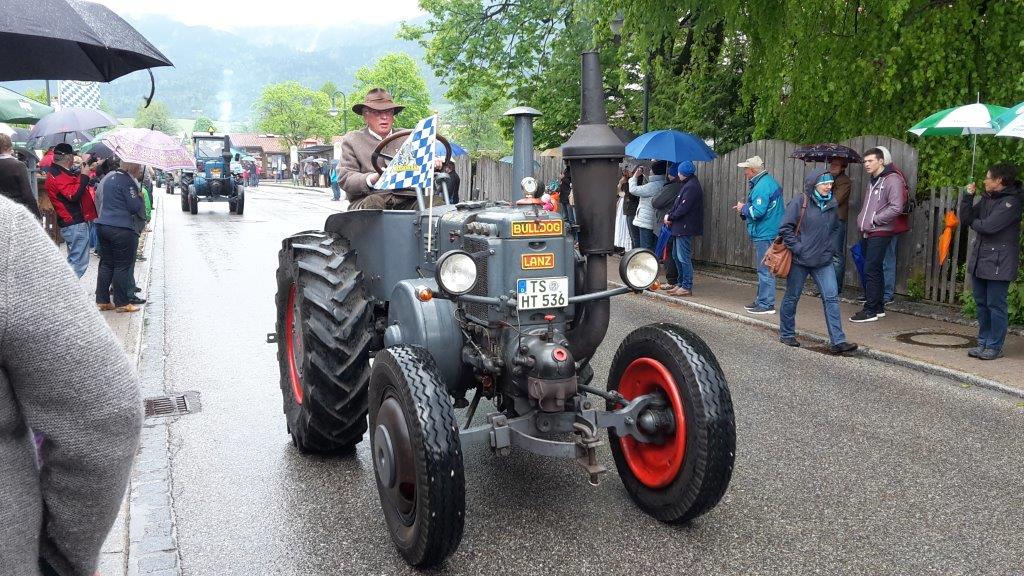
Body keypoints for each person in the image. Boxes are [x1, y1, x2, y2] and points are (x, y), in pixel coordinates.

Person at [0, 194, 142, 576]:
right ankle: (98, 296)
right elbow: (104, 410)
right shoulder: (6, 232)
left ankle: (102, 297)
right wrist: (64, 556)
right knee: (90, 259)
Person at [777, 172, 859, 354]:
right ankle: (787, 333)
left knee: (831, 298)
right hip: (800, 260)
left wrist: (828, 248)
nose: (829, 186)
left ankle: (838, 342)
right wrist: (799, 248)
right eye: (825, 184)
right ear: (814, 185)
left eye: (830, 183)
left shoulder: (832, 203)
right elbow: (785, 228)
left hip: (823, 260)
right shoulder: (800, 201)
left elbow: (836, 227)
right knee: (792, 296)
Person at [340, 88, 439, 210]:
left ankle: (432, 229)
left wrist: (432, 162)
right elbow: (345, 178)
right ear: (365, 116)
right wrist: (372, 178)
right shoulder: (352, 140)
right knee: (373, 203)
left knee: (435, 204)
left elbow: (422, 163)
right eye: (377, 113)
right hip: (369, 197)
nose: (384, 117)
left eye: (388, 112)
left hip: (407, 198)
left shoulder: (408, 137)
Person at [961, 163, 1021, 360]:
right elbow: (966, 218)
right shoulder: (988, 198)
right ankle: (983, 342)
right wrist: (968, 197)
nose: (984, 180)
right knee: (981, 303)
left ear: (999, 181)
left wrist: (974, 223)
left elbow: (989, 227)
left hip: (999, 261)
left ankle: (995, 346)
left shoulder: (1011, 203)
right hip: (981, 258)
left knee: (996, 305)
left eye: (988, 177)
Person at [849, 147, 909, 323]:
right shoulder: (874, 180)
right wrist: (863, 219)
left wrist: (875, 220)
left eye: (870, 161)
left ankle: (870, 310)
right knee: (874, 269)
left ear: (881, 161)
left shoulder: (892, 180)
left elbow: (896, 207)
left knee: (871, 268)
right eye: (865, 161)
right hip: (868, 230)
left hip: (880, 230)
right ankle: (878, 307)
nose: (866, 164)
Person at [734, 155, 784, 315]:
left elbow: (758, 212)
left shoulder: (762, 186)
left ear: (753, 170)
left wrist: (742, 208)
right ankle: (761, 299)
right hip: (769, 230)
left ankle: (766, 304)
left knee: (765, 268)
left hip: (765, 232)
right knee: (764, 268)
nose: (744, 172)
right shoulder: (767, 182)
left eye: (746, 169)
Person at [94, 162, 147, 313]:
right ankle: (122, 302)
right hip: (121, 229)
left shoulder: (110, 178)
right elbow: (133, 207)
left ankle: (102, 300)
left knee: (106, 264)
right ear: (133, 167)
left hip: (103, 225)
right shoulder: (127, 181)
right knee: (122, 266)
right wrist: (140, 197)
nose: (140, 170)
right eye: (139, 167)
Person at [44, 143, 93, 278]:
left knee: (74, 260)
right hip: (73, 222)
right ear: (69, 157)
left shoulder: (58, 172)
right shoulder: (57, 174)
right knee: (78, 263)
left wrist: (83, 170)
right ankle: (66, 293)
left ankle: (65, 291)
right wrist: (84, 177)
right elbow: (73, 195)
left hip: (72, 222)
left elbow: (70, 186)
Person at [664, 161, 704, 297]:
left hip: (684, 227)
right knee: (676, 255)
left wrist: (670, 216)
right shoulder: (687, 184)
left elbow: (683, 208)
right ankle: (680, 284)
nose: (678, 174)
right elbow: (678, 205)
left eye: (679, 172)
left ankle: (686, 286)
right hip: (679, 226)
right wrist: (670, 215)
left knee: (683, 257)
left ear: (683, 173)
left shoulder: (691, 187)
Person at [652, 162, 682, 288]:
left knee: (668, 252)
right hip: (674, 223)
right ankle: (675, 280)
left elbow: (656, 202)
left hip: (668, 224)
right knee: (673, 252)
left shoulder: (672, 187)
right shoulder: (681, 186)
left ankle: (671, 281)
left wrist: (656, 195)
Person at [628, 160, 667, 250]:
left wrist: (635, 176)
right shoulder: (662, 183)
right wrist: (645, 174)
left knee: (645, 248)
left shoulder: (654, 186)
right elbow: (650, 184)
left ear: (654, 171)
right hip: (653, 220)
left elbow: (633, 189)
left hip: (646, 221)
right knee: (650, 247)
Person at [0, 133, 40, 218]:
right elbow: (27, 194)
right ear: (9, 147)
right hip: (15, 211)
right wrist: (37, 215)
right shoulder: (18, 165)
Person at [828, 158, 853, 294]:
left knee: (836, 255)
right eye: (831, 163)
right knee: (826, 253)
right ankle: (827, 286)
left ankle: (836, 288)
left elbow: (835, 200)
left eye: (836, 165)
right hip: (827, 220)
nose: (832, 166)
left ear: (843, 167)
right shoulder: (828, 178)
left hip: (837, 220)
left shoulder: (844, 181)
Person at [619, 165, 640, 248]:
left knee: (634, 235)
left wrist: (626, 183)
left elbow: (631, 196)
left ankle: (635, 253)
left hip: (633, 209)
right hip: (628, 209)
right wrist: (621, 184)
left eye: (626, 171)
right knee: (632, 235)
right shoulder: (626, 181)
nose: (624, 172)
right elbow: (619, 192)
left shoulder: (636, 181)